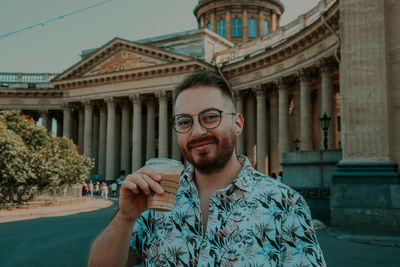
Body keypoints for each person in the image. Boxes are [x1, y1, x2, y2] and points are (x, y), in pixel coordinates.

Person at [88, 71, 326, 266]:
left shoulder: (285, 204)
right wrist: (125, 216)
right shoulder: (157, 200)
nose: (198, 132)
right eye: (184, 122)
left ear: (237, 123)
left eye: (210, 117)